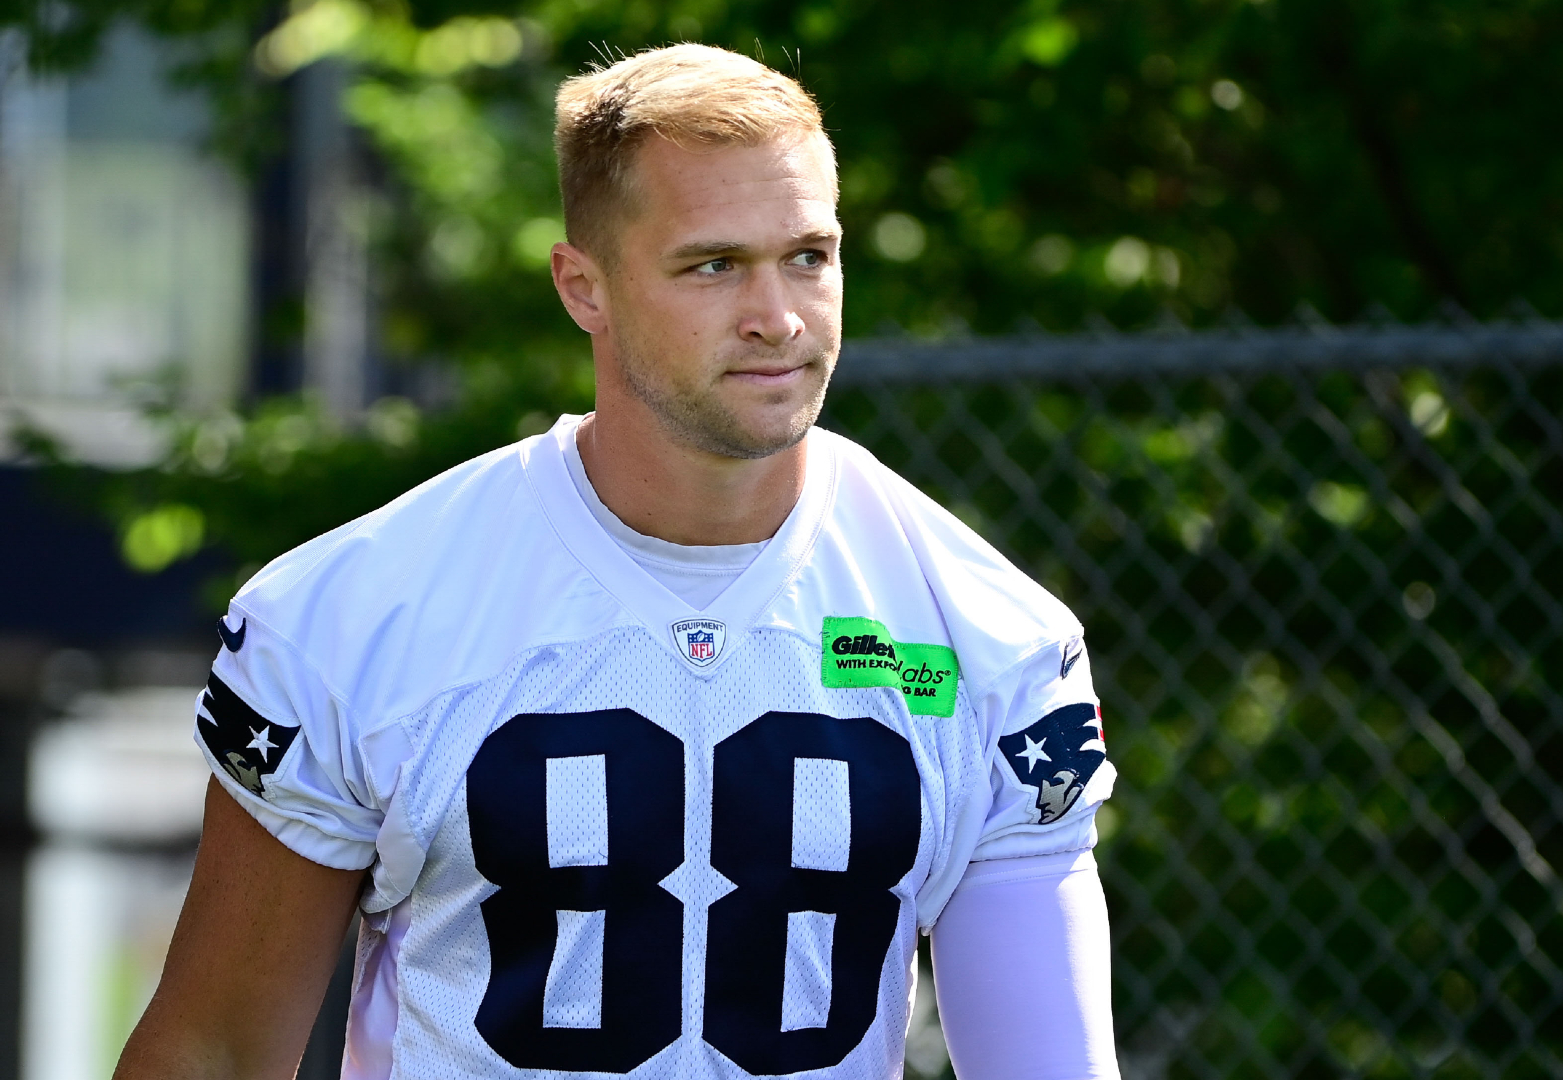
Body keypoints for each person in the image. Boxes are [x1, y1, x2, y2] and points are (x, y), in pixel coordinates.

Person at [114, 43, 1121, 1080]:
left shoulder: (992, 637)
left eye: (809, 256)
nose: (778, 316)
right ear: (582, 287)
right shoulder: (353, 615)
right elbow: (217, 1052)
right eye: (714, 264)